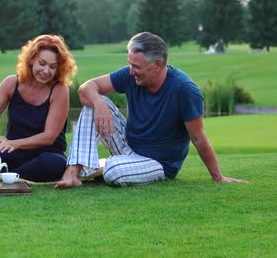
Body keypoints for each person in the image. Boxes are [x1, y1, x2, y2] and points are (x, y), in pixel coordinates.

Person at [55, 32, 249, 189]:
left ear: (157, 65)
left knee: (113, 171)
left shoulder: (185, 90)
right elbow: (86, 88)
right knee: (93, 103)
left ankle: (97, 166)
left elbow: (198, 137)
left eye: (136, 66)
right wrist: (99, 103)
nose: (131, 71)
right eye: (130, 64)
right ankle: (73, 173)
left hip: (159, 163)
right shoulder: (130, 75)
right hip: (128, 146)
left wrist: (218, 177)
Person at [0, 34, 78, 182]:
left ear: (59, 68)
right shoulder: (12, 83)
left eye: (52, 66)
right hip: (12, 151)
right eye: (42, 63)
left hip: (46, 154)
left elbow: (49, 137)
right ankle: (8, 175)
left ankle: (5, 175)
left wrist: (14, 143)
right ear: (31, 60)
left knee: (55, 164)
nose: (46, 71)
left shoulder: (60, 90)